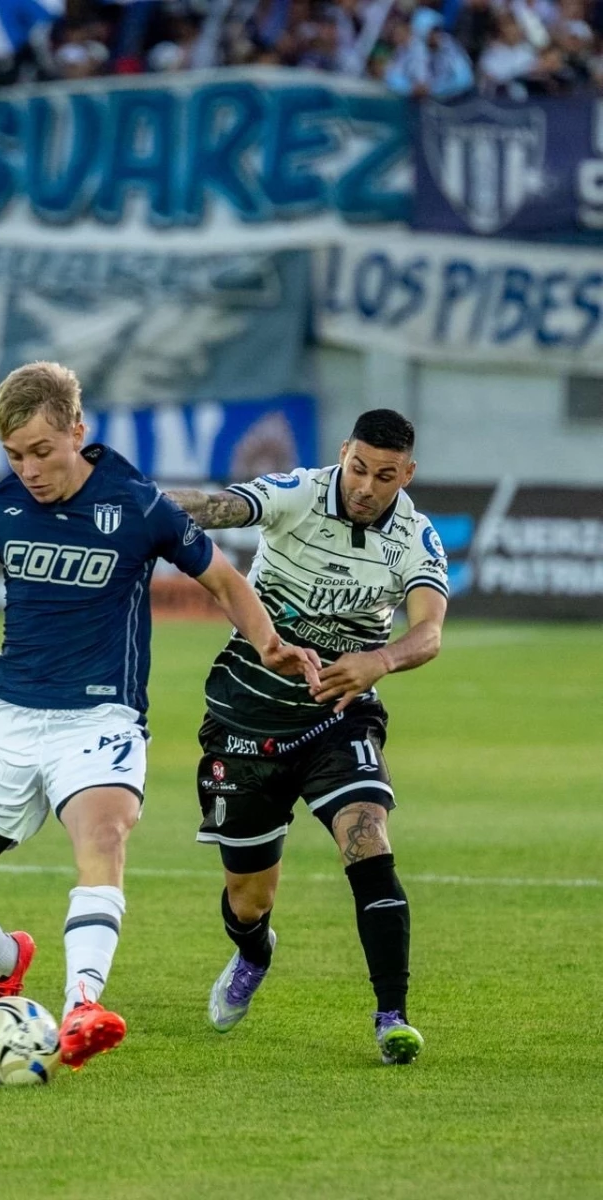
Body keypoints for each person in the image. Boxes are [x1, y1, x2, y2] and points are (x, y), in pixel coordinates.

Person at [0, 360, 318, 1072]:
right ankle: (8, 955)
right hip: (4, 720)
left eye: (41, 451)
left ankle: (85, 1004)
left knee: (103, 836)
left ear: (77, 432)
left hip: (99, 720)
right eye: (15, 455)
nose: (29, 468)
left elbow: (222, 577)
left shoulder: (138, 503)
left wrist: (269, 643)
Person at [167, 408, 448, 1065]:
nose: (366, 486)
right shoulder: (297, 493)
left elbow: (428, 632)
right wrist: (142, 504)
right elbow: (218, 507)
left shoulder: (414, 536)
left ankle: (392, 1017)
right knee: (249, 897)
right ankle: (253, 951)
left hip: (337, 718)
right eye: (357, 468)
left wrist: (379, 661)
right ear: (342, 454)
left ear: (405, 474)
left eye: (384, 476)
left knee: (367, 839)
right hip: (246, 720)